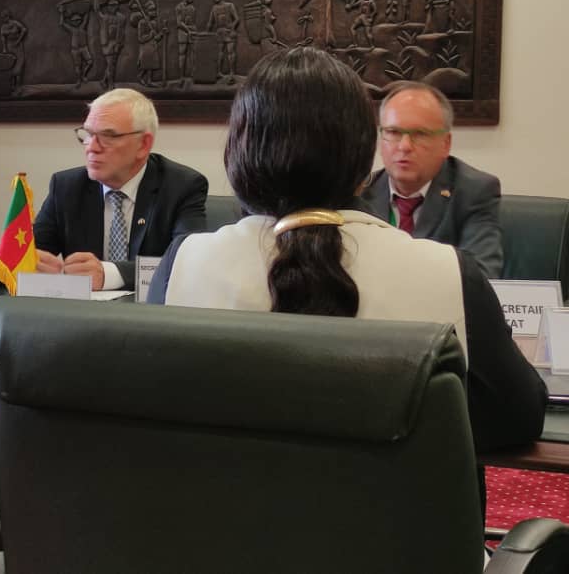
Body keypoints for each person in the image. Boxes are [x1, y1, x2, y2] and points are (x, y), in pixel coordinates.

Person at [148, 48, 543, 456]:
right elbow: (517, 418)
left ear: (238, 155)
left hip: (221, 498)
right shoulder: (449, 274)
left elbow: (151, 410)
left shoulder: (185, 265)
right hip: (395, 500)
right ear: (364, 157)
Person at [34, 88, 207, 291]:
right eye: (88, 134)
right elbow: (25, 255)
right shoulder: (66, 187)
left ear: (143, 145)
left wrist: (109, 274)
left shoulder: (182, 186)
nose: (91, 147)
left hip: (152, 310)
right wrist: (28, 263)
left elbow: (187, 264)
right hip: (82, 310)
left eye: (108, 136)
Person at [363, 81, 503, 278]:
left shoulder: (475, 192)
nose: (404, 146)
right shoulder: (362, 192)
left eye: (420, 134)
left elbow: (482, 275)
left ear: (446, 143)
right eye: (393, 132)